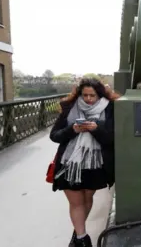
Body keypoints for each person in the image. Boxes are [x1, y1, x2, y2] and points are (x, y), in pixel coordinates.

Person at [50, 78, 119, 247]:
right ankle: (82, 239)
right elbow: (55, 135)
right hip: (69, 164)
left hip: (94, 165)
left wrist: (96, 130)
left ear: (100, 94)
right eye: (85, 95)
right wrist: (72, 130)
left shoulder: (110, 108)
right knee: (76, 201)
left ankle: (77, 231)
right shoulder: (69, 107)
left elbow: (113, 138)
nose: (88, 99)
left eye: (92, 95)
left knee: (87, 199)